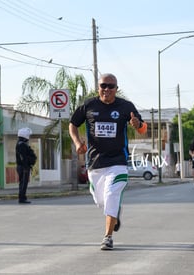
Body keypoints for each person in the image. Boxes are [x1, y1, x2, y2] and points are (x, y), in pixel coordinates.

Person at [69, 73, 147, 250]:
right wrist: (77, 142)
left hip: (118, 162)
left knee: (111, 194)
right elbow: (73, 124)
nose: (107, 89)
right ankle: (115, 214)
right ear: (98, 88)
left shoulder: (125, 106)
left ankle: (108, 237)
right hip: (95, 163)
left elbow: (143, 128)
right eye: (103, 85)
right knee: (102, 201)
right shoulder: (89, 105)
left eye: (111, 86)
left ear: (116, 89)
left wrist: (137, 125)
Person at [15, 127, 37, 204]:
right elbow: (23, 157)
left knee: (23, 183)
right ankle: (22, 198)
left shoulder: (21, 144)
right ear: (25, 136)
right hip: (23, 167)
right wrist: (25, 167)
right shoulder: (21, 145)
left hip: (23, 166)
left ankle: (22, 197)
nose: (29, 137)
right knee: (23, 183)